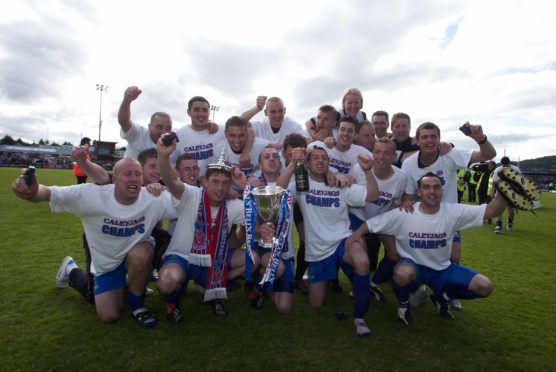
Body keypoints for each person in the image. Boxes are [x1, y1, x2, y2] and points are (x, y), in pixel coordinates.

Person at [12, 158, 177, 328]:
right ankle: (71, 270)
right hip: (106, 263)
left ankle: (137, 305)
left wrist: (168, 186)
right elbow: (47, 193)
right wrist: (31, 192)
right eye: (127, 174)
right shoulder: (90, 195)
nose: (134, 179)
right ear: (114, 180)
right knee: (109, 315)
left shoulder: (153, 197)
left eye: (137, 174)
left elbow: (186, 202)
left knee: (142, 254)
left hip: (134, 255)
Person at [348, 172, 507, 325]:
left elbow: (492, 210)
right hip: (414, 268)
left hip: (442, 269)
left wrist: (503, 191)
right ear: (419, 191)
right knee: (402, 273)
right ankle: (404, 304)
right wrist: (357, 235)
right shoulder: (405, 212)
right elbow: (371, 224)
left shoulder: (453, 211)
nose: (432, 191)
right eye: (426, 187)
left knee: (485, 287)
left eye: (436, 187)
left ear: (442, 191)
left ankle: (443, 296)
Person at [155, 134, 262, 322]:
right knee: (166, 281)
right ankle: (172, 301)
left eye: (224, 182)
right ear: (204, 182)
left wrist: (244, 185)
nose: (220, 188)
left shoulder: (232, 204)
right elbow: (171, 180)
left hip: (215, 261)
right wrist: (163, 157)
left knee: (252, 259)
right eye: (215, 181)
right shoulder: (192, 195)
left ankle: (216, 286)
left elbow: (258, 223)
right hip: (183, 257)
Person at [277, 146, 380, 337]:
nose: (320, 160)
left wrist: (368, 171)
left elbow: (373, 195)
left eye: (324, 158)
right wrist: (293, 163)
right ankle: (332, 280)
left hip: (343, 239)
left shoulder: (339, 183)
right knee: (316, 303)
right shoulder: (302, 184)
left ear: (328, 163)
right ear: (307, 163)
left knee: (363, 261)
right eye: (315, 157)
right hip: (318, 250)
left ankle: (359, 317)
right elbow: (278, 191)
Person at [401, 121, 496, 310]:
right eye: (425, 137)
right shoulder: (409, 164)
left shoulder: (449, 154)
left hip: (449, 217)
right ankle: (419, 288)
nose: (429, 140)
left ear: (439, 139)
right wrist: (407, 203)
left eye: (433, 136)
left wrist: (481, 139)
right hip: (422, 219)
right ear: (417, 141)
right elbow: (409, 193)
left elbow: (488, 155)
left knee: (453, 256)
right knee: (419, 258)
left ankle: (447, 293)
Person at [349, 138, 408, 301]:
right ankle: (357, 285)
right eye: (377, 152)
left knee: (394, 253)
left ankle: (373, 283)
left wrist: (383, 223)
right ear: (372, 153)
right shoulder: (358, 169)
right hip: (357, 217)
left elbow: (395, 203)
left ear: (394, 156)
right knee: (358, 256)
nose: (381, 157)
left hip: (381, 218)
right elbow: (349, 194)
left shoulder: (401, 177)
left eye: (386, 153)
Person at [246, 147, 296, 313]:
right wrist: (259, 230)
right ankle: (258, 284)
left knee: (284, 308)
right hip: (262, 250)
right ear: (260, 165)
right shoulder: (253, 187)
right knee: (277, 267)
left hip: (284, 252)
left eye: (275, 156)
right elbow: (245, 224)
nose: (272, 159)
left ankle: (264, 285)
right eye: (266, 157)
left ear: (281, 163)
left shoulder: (292, 184)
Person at [171, 96, 225, 177]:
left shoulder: (218, 130)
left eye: (205, 110)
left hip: (214, 185)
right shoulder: (179, 135)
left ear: (209, 112)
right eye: (196, 110)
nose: (201, 114)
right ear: (189, 112)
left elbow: (241, 122)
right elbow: (171, 165)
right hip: (189, 186)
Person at [118, 86, 173, 159]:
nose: (164, 131)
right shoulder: (138, 134)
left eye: (168, 128)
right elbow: (124, 122)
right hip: (132, 170)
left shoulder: (173, 140)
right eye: (159, 127)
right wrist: (126, 101)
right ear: (149, 127)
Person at [241, 96, 310, 147]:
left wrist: (287, 146)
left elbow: (307, 141)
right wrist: (257, 108)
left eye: (280, 111)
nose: (277, 115)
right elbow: (239, 122)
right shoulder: (260, 126)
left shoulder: (293, 125)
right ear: (266, 113)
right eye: (273, 112)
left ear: (285, 110)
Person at [492, 156, 521, 233]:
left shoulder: (516, 169)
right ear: (501, 164)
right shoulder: (498, 170)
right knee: (499, 210)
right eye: (503, 166)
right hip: (501, 192)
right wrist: (493, 193)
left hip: (512, 193)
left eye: (506, 165)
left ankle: (510, 221)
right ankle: (499, 226)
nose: (505, 167)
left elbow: (520, 182)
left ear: (509, 164)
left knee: (511, 212)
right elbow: (494, 182)